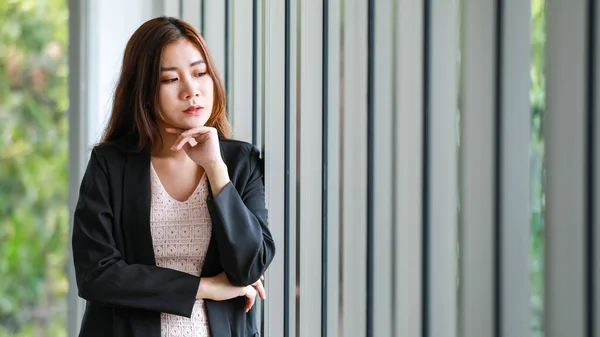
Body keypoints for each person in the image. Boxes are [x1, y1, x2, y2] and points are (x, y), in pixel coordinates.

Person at [71, 16, 275, 337]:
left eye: (199, 73)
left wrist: (216, 170)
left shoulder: (240, 161)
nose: (191, 90)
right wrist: (203, 288)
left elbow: (249, 267)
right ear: (144, 91)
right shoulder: (110, 164)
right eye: (170, 79)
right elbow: (96, 274)